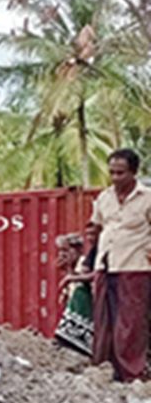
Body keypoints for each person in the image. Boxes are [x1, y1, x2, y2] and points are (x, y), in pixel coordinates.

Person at [89, 148, 151, 382]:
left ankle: (132, 374)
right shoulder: (104, 198)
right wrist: (88, 262)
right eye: (112, 173)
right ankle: (109, 369)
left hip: (135, 267)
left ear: (134, 173)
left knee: (131, 323)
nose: (115, 178)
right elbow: (95, 229)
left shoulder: (147, 198)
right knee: (106, 321)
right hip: (106, 266)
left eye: (120, 173)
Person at [53, 232, 95, 356]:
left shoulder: (83, 264)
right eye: (60, 251)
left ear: (77, 250)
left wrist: (71, 276)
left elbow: (85, 282)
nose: (62, 254)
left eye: (66, 250)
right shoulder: (72, 267)